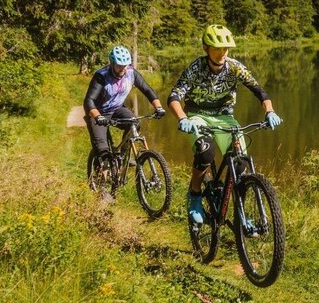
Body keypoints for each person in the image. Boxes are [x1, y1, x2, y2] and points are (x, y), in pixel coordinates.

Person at [167, 24, 282, 225]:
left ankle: (240, 215)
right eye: (216, 49)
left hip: (225, 117)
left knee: (241, 161)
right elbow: (174, 96)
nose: (221, 54)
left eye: (225, 49)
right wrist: (183, 118)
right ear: (206, 48)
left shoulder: (235, 67)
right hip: (198, 116)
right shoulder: (196, 68)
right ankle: (194, 195)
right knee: (205, 151)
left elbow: (259, 90)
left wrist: (270, 110)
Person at [83, 45, 166, 164]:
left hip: (117, 109)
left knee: (134, 123)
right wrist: (98, 116)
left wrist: (158, 107)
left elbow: (147, 90)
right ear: (112, 63)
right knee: (103, 152)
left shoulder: (131, 73)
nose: (123, 69)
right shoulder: (102, 76)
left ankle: (123, 157)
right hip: (98, 112)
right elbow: (88, 101)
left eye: (125, 65)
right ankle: (100, 178)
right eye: (119, 66)